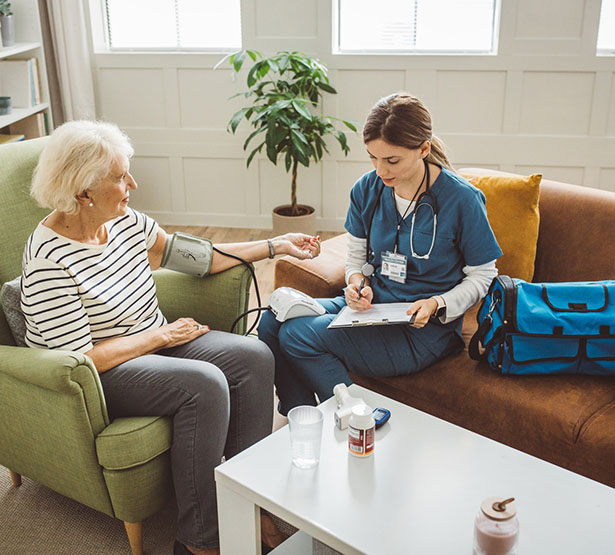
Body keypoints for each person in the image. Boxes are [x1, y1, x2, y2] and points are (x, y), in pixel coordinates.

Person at [20, 120, 320, 555]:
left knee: (254, 356)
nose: (133, 184)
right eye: (121, 177)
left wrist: (277, 244)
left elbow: (199, 258)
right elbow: (80, 361)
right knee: (204, 386)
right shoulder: (49, 258)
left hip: (154, 339)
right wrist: (160, 338)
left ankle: (250, 506)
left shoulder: (124, 221)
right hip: (101, 372)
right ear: (83, 192)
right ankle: (200, 540)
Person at [258, 93, 503, 414]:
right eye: (373, 157)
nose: (380, 170)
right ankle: (300, 413)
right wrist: (357, 282)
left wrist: (437, 303)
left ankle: (360, 419)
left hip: (424, 329)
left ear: (424, 149)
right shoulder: (367, 189)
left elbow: (484, 274)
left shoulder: (462, 200)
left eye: (392, 160)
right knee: (274, 318)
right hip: (374, 307)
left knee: (298, 335)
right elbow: (356, 254)